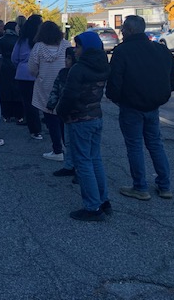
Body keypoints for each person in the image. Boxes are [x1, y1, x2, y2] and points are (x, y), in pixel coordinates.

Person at [106, 15, 174, 200]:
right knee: (155, 144)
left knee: (135, 146)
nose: (121, 31)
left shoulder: (122, 51)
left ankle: (140, 187)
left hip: (131, 107)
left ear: (130, 30)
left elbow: (114, 81)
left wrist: (115, 98)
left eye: (123, 28)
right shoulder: (160, 49)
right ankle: (165, 186)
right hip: (153, 106)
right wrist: (164, 93)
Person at [56, 31, 111, 221]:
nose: (75, 50)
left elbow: (69, 96)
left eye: (78, 46)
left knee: (84, 163)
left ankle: (92, 207)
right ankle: (103, 200)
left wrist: (61, 113)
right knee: (95, 159)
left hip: (80, 120)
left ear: (86, 48)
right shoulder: (102, 66)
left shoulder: (78, 70)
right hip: (96, 117)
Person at [28, 21, 71, 161]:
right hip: (64, 85)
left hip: (45, 85)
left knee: (50, 117)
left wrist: (39, 74)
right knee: (64, 118)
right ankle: (68, 149)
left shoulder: (38, 47)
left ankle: (57, 149)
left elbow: (32, 69)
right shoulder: (66, 45)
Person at [11, 14, 43, 140]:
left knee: (28, 103)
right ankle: (42, 124)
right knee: (40, 101)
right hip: (39, 74)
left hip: (23, 74)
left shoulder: (21, 40)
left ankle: (35, 130)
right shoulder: (41, 41)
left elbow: (14, 57)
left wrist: (20, 66)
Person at [47, 47, 77, 177]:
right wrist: (51, 105)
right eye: (66, 58)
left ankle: (79, 170)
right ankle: (69, 165)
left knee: (78, 143)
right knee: (68, 140)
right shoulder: (63, 73)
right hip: (64, 113)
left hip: (76, 113)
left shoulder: (78, 73)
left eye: (69, 58)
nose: (66, 61)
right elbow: (55, 90)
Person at [0, 21, 23, 123]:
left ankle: (6, 114)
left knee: (5, 90)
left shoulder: (1, 40)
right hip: (15, 66)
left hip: (4, 66)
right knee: (17, 91)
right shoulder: (18, 40)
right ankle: (18, 115)